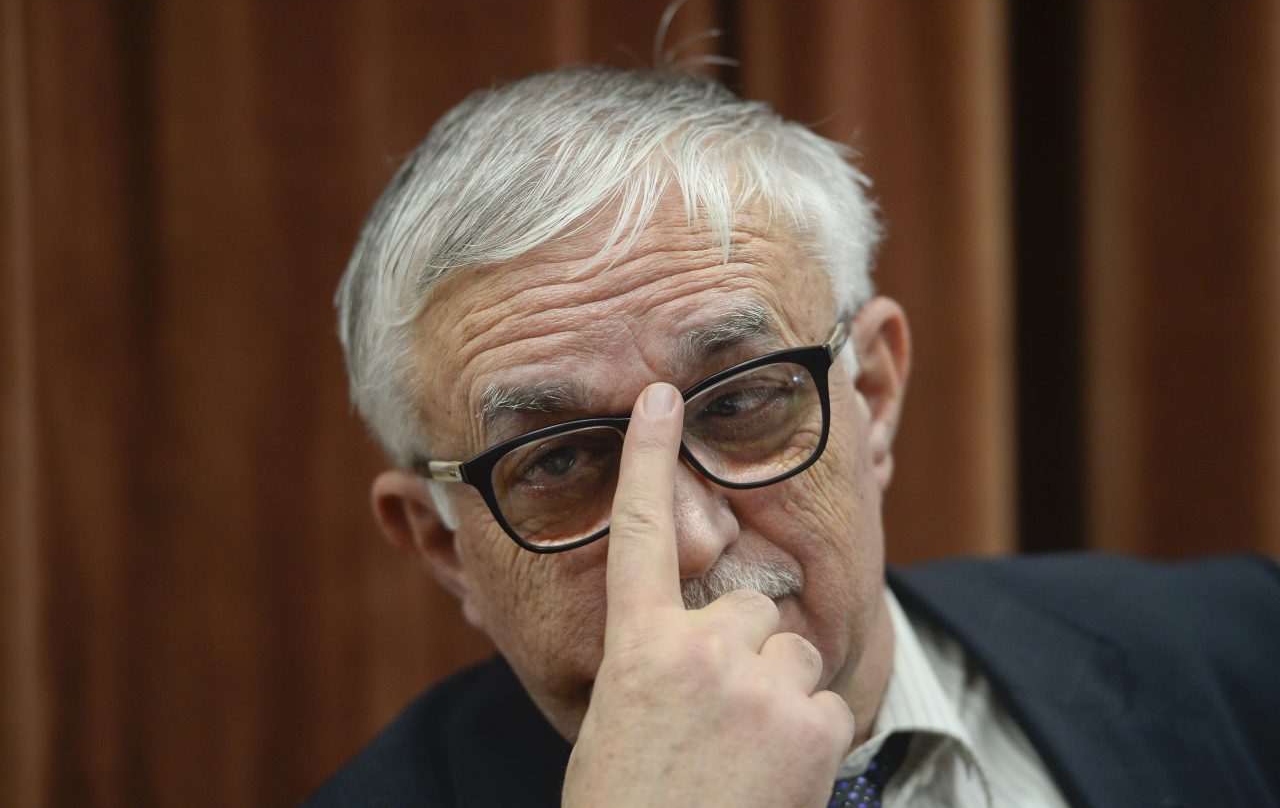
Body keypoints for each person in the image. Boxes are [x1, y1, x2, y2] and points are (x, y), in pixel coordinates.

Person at [309, 67, 1280, 807]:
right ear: (444, 544)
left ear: (874, 391)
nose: (689, 538)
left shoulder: (1244, 649)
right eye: (558, 460)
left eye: (739, 402)